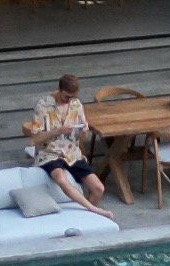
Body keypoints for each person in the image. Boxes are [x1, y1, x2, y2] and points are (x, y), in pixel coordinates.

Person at [24, 72, 109, 208]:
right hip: (51, 154)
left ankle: (85, 216)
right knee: (61, 178)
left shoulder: (76, 105)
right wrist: (57, 131)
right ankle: (93, 209)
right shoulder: (43, 105)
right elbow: (36, 138)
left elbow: (83, 137)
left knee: (99, 188)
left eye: (72, 97)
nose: (69, 100)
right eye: (66, 96)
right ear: (59, 90)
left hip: (72, 154)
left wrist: (83, 131)